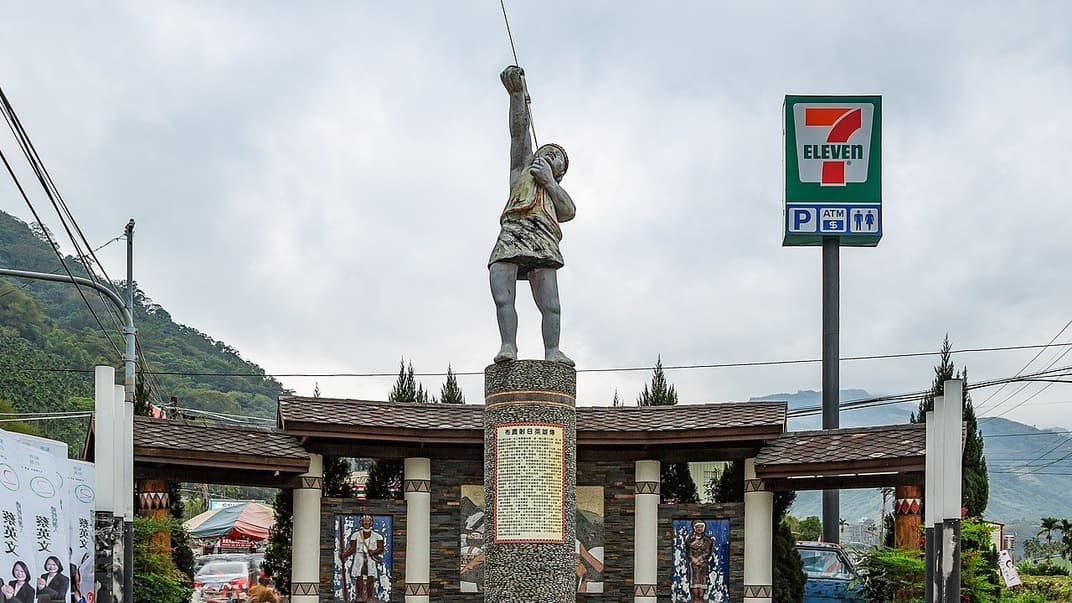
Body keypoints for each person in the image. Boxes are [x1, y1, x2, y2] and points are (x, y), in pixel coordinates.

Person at [489, 64, 577, 367]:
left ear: (560, 172)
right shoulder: (521, 171)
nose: (548, 155)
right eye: (547, 150)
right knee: (502, 291)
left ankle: (552, 350)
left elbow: (569, 212)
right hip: (513, 232)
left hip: (542, 240)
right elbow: (519, 133)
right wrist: (517, 95)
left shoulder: (555, 194)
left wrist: (550, 183)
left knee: (550, 304)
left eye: (556, 157)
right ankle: (508, 345)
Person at [339, 515, 385, 603]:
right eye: (364, 521)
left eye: (368, 521)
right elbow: (352, 548)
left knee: (370, 577)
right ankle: (359, 596)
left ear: (371, 522)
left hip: (370, 558)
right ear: (361, 522)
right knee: (358, 577)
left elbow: (381, 548)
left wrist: (374, 552)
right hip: (359, 557)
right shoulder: (355, 535)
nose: (366, 523)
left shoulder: (377, 536)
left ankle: (370, 597)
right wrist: (344, 555)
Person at [685, 521, 713, 603]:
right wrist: (693, 559)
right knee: (694, 581)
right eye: (698, 527)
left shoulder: (708, 540)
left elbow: (707, 552)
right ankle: (695, 599)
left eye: (701, 527)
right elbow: (688, 552)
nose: (699, 529)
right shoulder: (689, 540)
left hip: (703, 565)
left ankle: (701, 599)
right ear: (695, 528)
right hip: (693, 565)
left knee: (702, 581)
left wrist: (700, 559)